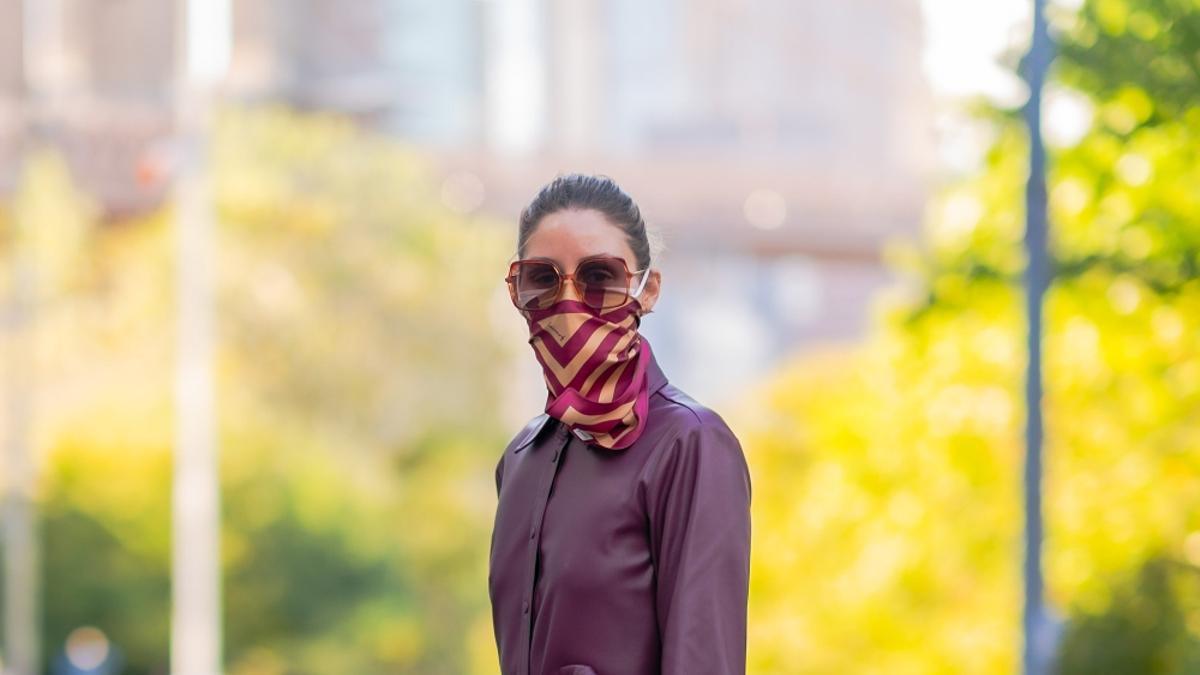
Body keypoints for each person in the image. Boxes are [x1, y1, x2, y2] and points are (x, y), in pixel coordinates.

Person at [488, 173, 753, 675]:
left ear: (646, 289)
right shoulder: (521, 458)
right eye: (543, 278)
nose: (568, 306)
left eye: (599, 277)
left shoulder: (691, 444)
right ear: (517, 291)